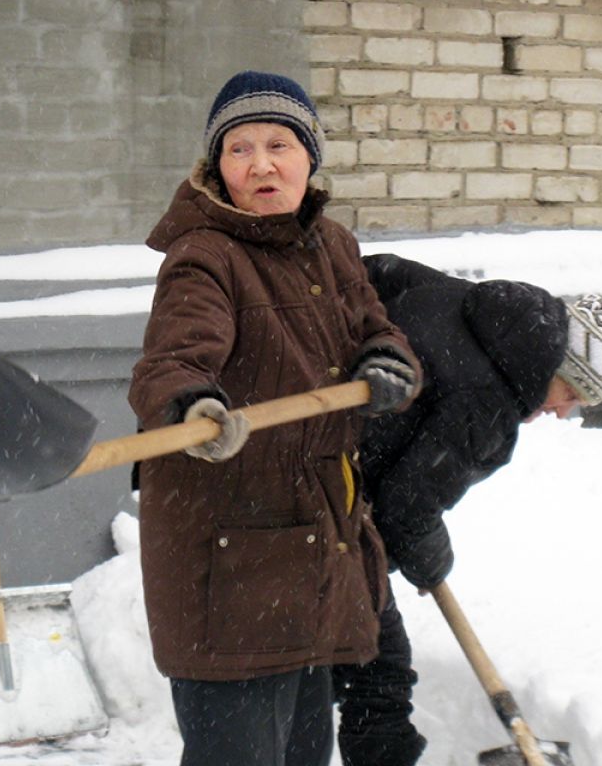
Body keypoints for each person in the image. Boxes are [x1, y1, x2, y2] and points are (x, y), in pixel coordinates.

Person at [127, 71, 423, 766]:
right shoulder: (205, 256)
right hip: (229, 557)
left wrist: (384, 363)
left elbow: (378, 330)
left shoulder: (333, 246)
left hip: (310, 542)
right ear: (216, 166)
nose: (260, 164)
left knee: (300, 755)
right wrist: (193, 407)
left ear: (310, 156)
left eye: (279, 144)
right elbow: (171, 360)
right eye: (239, 148)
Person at [332, 253, 602, 766]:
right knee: (378, 678)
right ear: (556, 366)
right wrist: (430, 560)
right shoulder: (490, 400)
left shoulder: (460, 300)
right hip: (334, 510)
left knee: (334, 665)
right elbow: (407, 507)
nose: (563, 410)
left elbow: (375, 270)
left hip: (313, 473)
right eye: (572, 392)